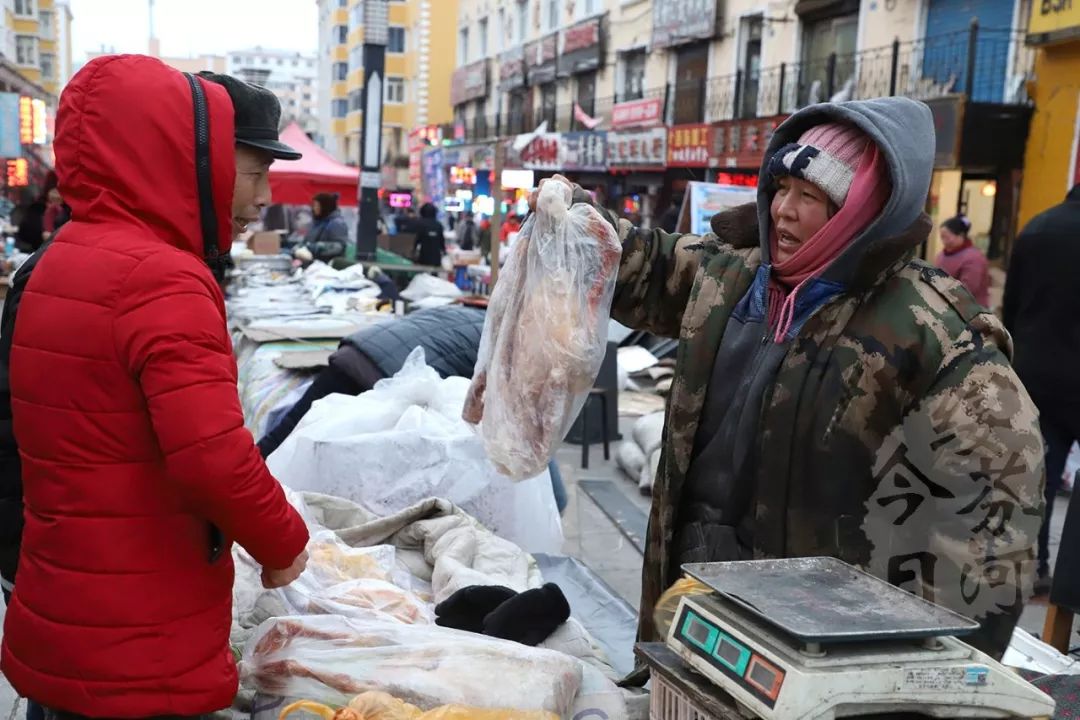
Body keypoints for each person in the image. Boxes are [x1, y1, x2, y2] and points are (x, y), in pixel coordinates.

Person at [538, 98, 1043, 660]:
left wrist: (931, 672)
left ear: (866, 208)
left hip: (818, 649)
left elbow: (992, 515)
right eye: (781, 188)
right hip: (691, 597)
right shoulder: (731, 275)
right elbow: (646, 267)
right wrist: (578, 221)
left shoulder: (929, 332)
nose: (784, 210)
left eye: (811, 197)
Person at [0, 56, 311, 718]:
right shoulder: (161, 278)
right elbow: (212, 458)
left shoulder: (59, 262)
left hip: (63, 611)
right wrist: (283, 541)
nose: (259, 193)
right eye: (251, 173)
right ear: (182, 154)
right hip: (140, 642)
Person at [256, 305, 569, 513]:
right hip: (386, 375)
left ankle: (241, 487)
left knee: (286, 437)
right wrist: (554, 501)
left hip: (359, 352)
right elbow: (524, 438)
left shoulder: (488, 319)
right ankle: (255, 505)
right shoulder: (519, 352)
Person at [1004, 185, 1080, 596]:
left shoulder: (1036, 228)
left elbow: (1011, 307)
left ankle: (1034, 567)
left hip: (1036, 373)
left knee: (1039, 478)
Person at [935, 214, 990, 306]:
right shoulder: (942, 255)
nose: (944, 241)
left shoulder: (974, 258)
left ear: (961, 235)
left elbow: (968, 290)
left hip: (969, 311)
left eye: (947, 237)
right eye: (942, 237)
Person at [301, 191, 350, 263]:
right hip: (313, 265)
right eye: (313, 205)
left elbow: (339, 247)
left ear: (325, 206)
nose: (314, 208)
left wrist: (317, 247)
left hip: (328, 267)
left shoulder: (336, 223)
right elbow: (307, 241)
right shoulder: (317, 222)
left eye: (317, 206)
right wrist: (300, 247)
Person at [414, 202, 446, 267]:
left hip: (423, 257)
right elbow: (441, 242)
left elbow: (416, 240)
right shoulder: (438, 225)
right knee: (434, 276)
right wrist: (444, 252)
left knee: (423, 275)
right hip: (436, 258)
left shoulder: (420, 224)